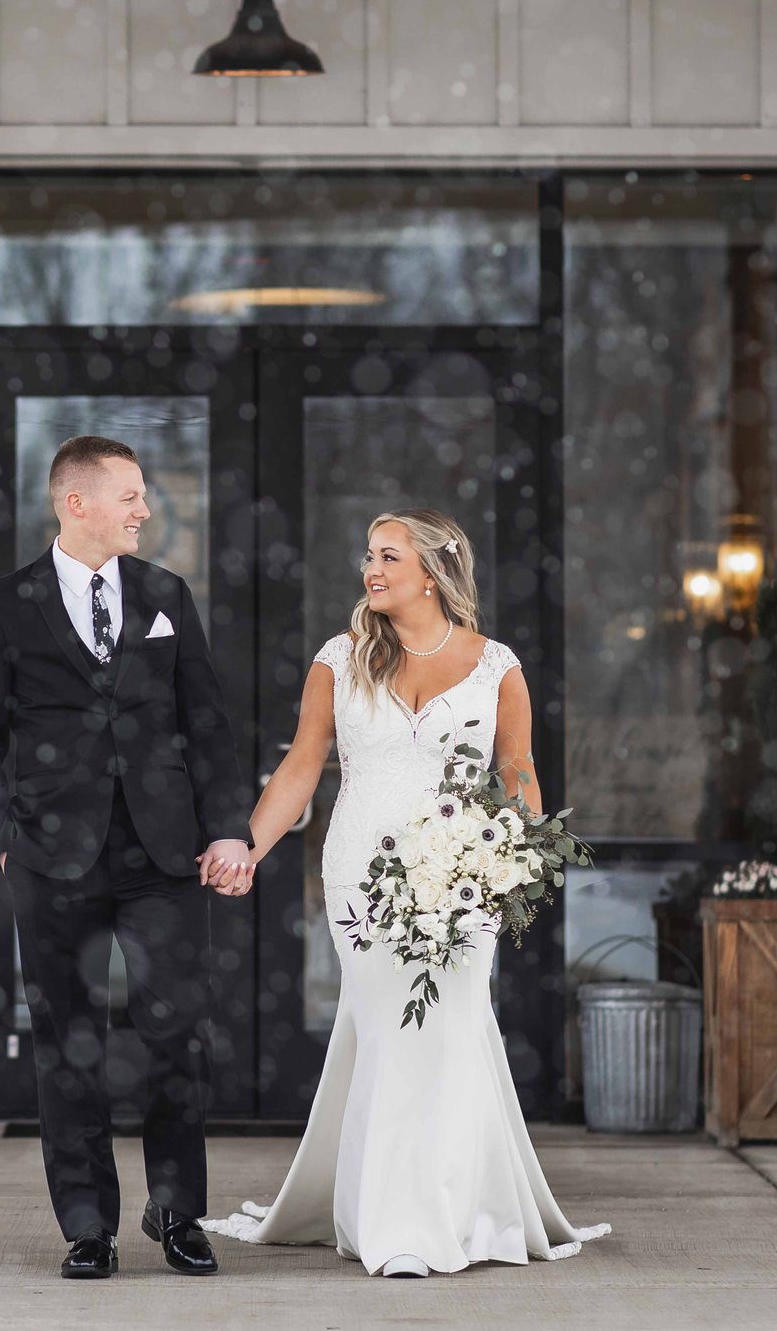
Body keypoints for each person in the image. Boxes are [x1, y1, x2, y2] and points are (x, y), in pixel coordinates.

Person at [198, 507, 609, 1278]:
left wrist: (513, 864)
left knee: (450, 1032)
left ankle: (458, 1212)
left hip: (465, 876)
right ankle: (390, 1221)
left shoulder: (497, 666)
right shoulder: (339, 659)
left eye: (388, 555)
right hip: (360, 873)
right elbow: (300, 767)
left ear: (434, 569)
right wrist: (248, 845)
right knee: (389, 1033)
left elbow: (517, 778)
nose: (371, 569)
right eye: (367, 555)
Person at [0, 435, 257, 1281]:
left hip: (162, 856)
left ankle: (179, 1212)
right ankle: (88, 1227)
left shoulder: (166, 594)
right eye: (129, 496)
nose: (144, 511)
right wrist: (0, 841)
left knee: (175, 1037)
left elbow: (208, 728)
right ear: (74, 502)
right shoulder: (5, 605)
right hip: (51, 861)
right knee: (67, 1046)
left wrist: (229, 827)